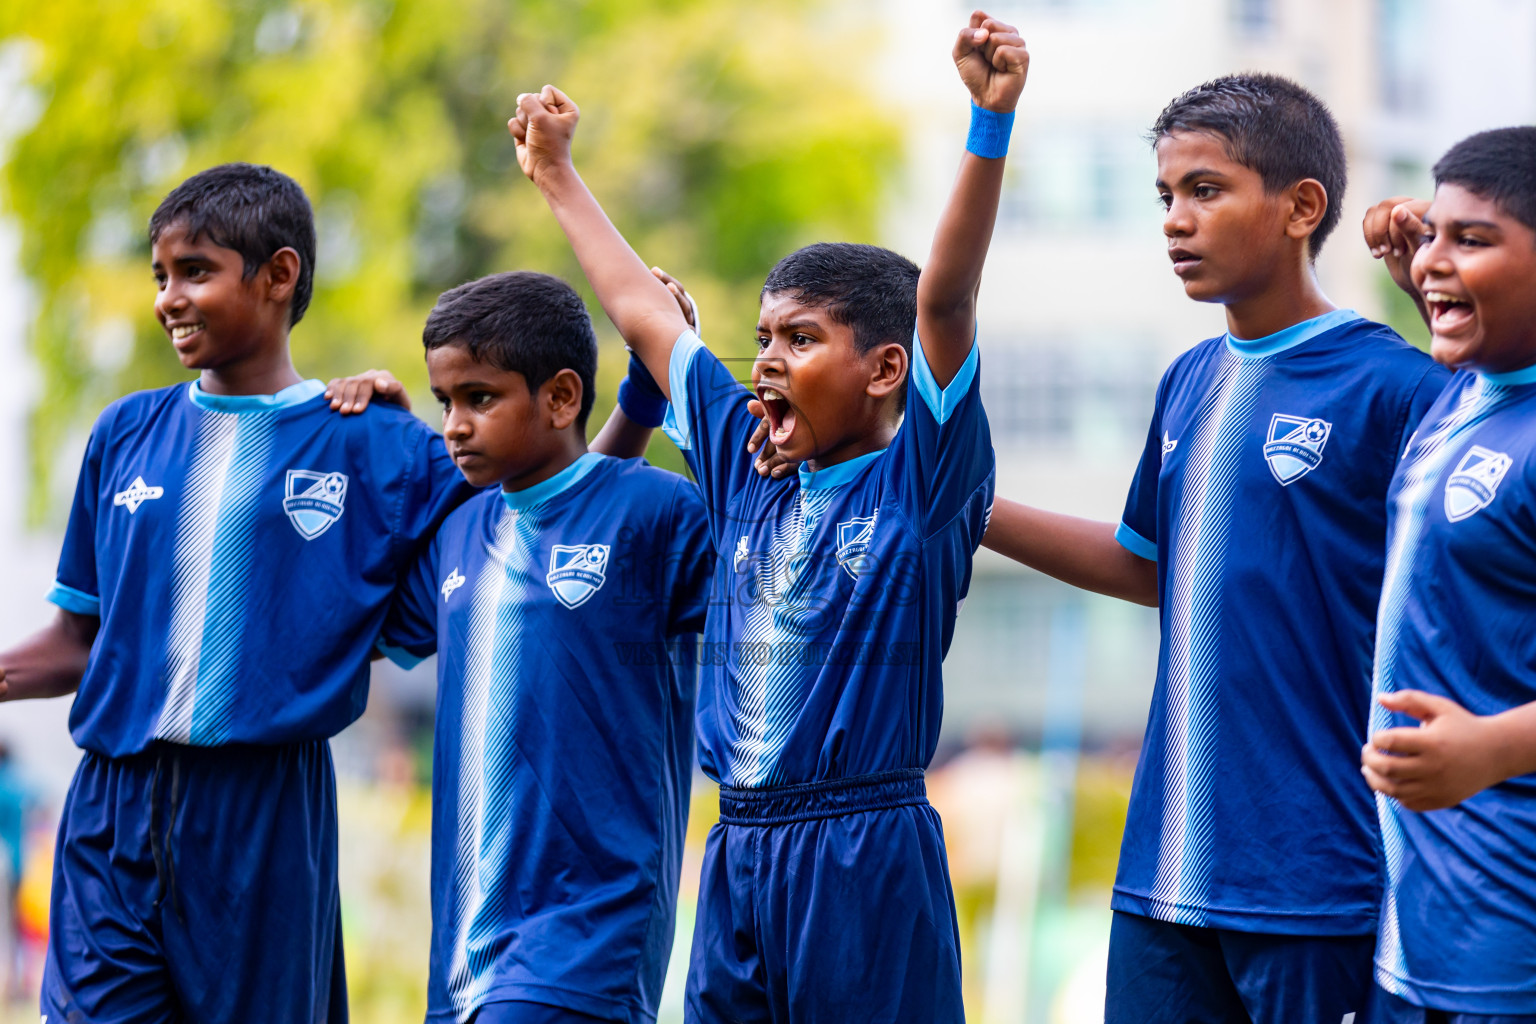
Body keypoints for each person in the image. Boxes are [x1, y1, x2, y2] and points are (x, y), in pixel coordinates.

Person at [508, 10, 1023, 1020]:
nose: (767, 361)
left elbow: (947, 307)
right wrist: (558, 175)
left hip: (863, 851)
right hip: (738, 847)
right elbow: (648, 320)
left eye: (800, 338)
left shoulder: (922, 483)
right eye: (761, 338)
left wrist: (987, 123)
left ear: (886, 370)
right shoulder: (749, 476)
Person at [971, 75, 1450, 1022]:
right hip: (1162, 880)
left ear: (1299, 208)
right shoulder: (1188, 379)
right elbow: (1149, 564)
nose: (1174, 221)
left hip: (1320, 882)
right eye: (1165, 197)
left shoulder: (1394, 386)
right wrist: (963, 508)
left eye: (1206, 190)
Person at [0, 162, 479, 1022]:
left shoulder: (375, 447)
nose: (169, 299)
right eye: (160, 276)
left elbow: (533, 507)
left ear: (280, 275)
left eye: (195, 272)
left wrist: (415, 429)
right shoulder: (125, 434)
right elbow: (78, 642)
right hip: (112, 808)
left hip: (265, 814)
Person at [368, 269, 713, 1024]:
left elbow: (764, 586)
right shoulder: (460, 533)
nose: (454, 424)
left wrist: (662, 382)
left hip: (585, 948)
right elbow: (357, 631)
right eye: (444, 402)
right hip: (461, 966)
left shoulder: (658, 512)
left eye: (479, 398)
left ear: (559, 397)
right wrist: (371, 437)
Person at [1356, 127, 1536, 1023]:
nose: (1431, 259)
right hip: (1417, 943)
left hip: (1514, 954)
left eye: (1472, 239)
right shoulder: (1469, 393)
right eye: (1432, 233)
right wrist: (1440, 266)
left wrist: (1493, 748)